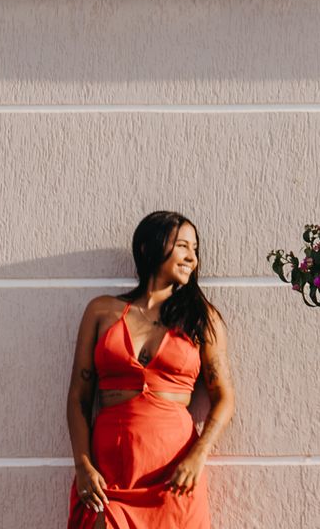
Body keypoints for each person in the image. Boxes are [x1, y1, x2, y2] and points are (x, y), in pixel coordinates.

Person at [65, 211, 234, 528]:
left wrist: (197, 457)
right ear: (149, 247)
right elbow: (78, 398)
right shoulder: (101, 311)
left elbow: (224, 397)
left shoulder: (202, 318)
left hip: (174, 473)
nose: (192, 258)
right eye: (183, 246)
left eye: (195, 249)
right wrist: (83, 465)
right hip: (110, 475)